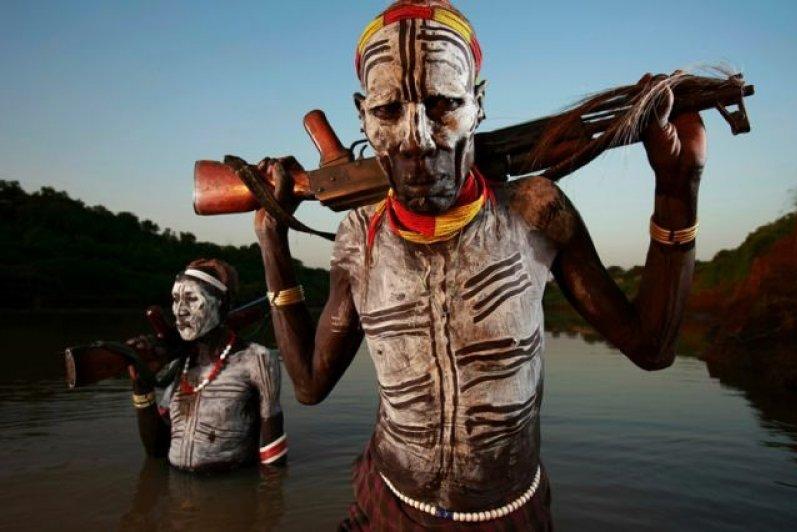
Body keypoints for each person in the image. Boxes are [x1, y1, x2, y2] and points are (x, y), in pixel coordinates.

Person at [251, 0, 705, 528]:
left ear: (478, 105)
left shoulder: (535, 212)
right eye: (389, 110)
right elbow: (307, 385)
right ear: (362, 117)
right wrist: (272, 240)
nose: (417, 138)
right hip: (387, 507)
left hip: (509, 516)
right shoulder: (359, 237)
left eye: (444, 103)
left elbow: (651, 348)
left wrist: (678, 189)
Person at [128, 258, 287, 472]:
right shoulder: (179, 363)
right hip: (177, 497)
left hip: (231, 494)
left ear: (222, 304)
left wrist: (267, 501)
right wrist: (142, 386)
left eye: (192, 299)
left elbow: (274, 459)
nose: (180, 310)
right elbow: (156, 452)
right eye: (175, 299)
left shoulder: (257, 360)